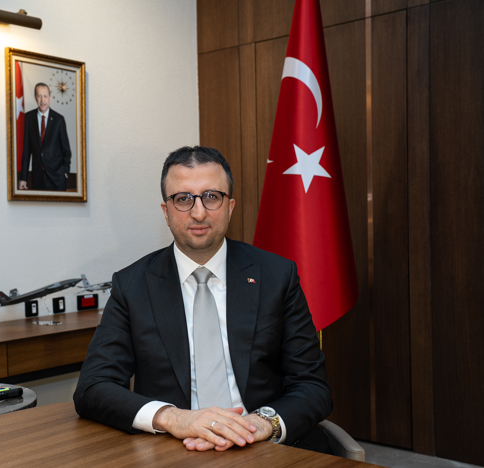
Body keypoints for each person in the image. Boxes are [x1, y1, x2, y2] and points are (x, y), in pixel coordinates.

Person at [74, 146, 333, 453]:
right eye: (183, 199)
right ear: (166, 211)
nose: (198, 213)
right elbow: (93, 387)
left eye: (211, 196)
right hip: (173, 450)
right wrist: (173, 418)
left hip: (262, 446)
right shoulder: (132, 285)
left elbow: (313, 386)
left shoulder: (277, 276)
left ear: (230, 206)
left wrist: (261, 424)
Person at [18, 83, 72, 191]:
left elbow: (66, 151)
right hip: (37, 179)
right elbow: (26, 151)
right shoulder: (28, 118)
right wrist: (23, 178)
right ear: (35, 97)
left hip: (57, 179)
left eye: (45, 96)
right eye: (39, 96)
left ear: (50, 98)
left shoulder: (59, 120)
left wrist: (65, 172)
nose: (42, 100)